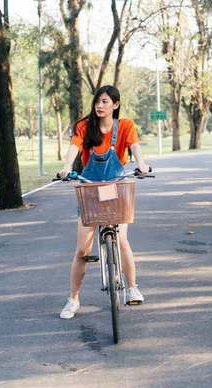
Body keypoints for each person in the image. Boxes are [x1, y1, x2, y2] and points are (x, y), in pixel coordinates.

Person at [58, 85, 150, 319]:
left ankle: (132, 287)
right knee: (82, 249)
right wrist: (67, 168)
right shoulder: (83, 126)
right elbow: (74, 148)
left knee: (121, 240)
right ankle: (73, 299)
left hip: (116, 188)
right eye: (97, 101)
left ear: (116, 105)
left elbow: (135, 146)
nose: (100, 106)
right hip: (90, 188)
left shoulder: (125, 126)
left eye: (105, 101)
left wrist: (141, 164)